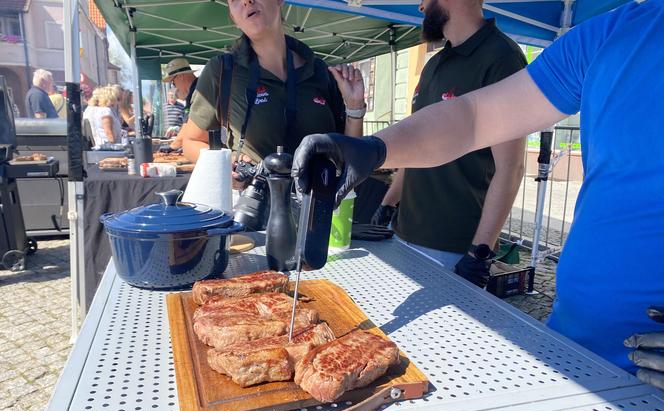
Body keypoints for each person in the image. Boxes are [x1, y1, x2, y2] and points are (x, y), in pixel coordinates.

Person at [292, 0, 664, 381]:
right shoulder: (615, 31)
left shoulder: (501, 52)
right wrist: (374, 149)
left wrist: (480, 250)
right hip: (571, 344)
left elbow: (511, 164)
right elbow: (474, 118)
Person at [372, 0, 526, 287]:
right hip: (403, 230)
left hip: (450, 246)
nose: (419, 7)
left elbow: (512, 167)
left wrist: (480, 252)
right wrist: (389, 203)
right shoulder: (434, 64)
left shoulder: (501, 58)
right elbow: (416, 146)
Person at [181, 0, 365, 173]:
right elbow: (191, 141)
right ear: (233, 18)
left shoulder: (321, 71)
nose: (246, 1)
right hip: (257, 201)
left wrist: (355, 106)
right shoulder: (222, 70)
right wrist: (225, 166)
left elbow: (350, 154)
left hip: (322, 201)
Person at [163, 58, 198, 149]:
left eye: (173, 82)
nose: (174, 86)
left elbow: (188, 125)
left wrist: (173, 147)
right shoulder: (195, 89)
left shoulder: (197, 91)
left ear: (180, 76)